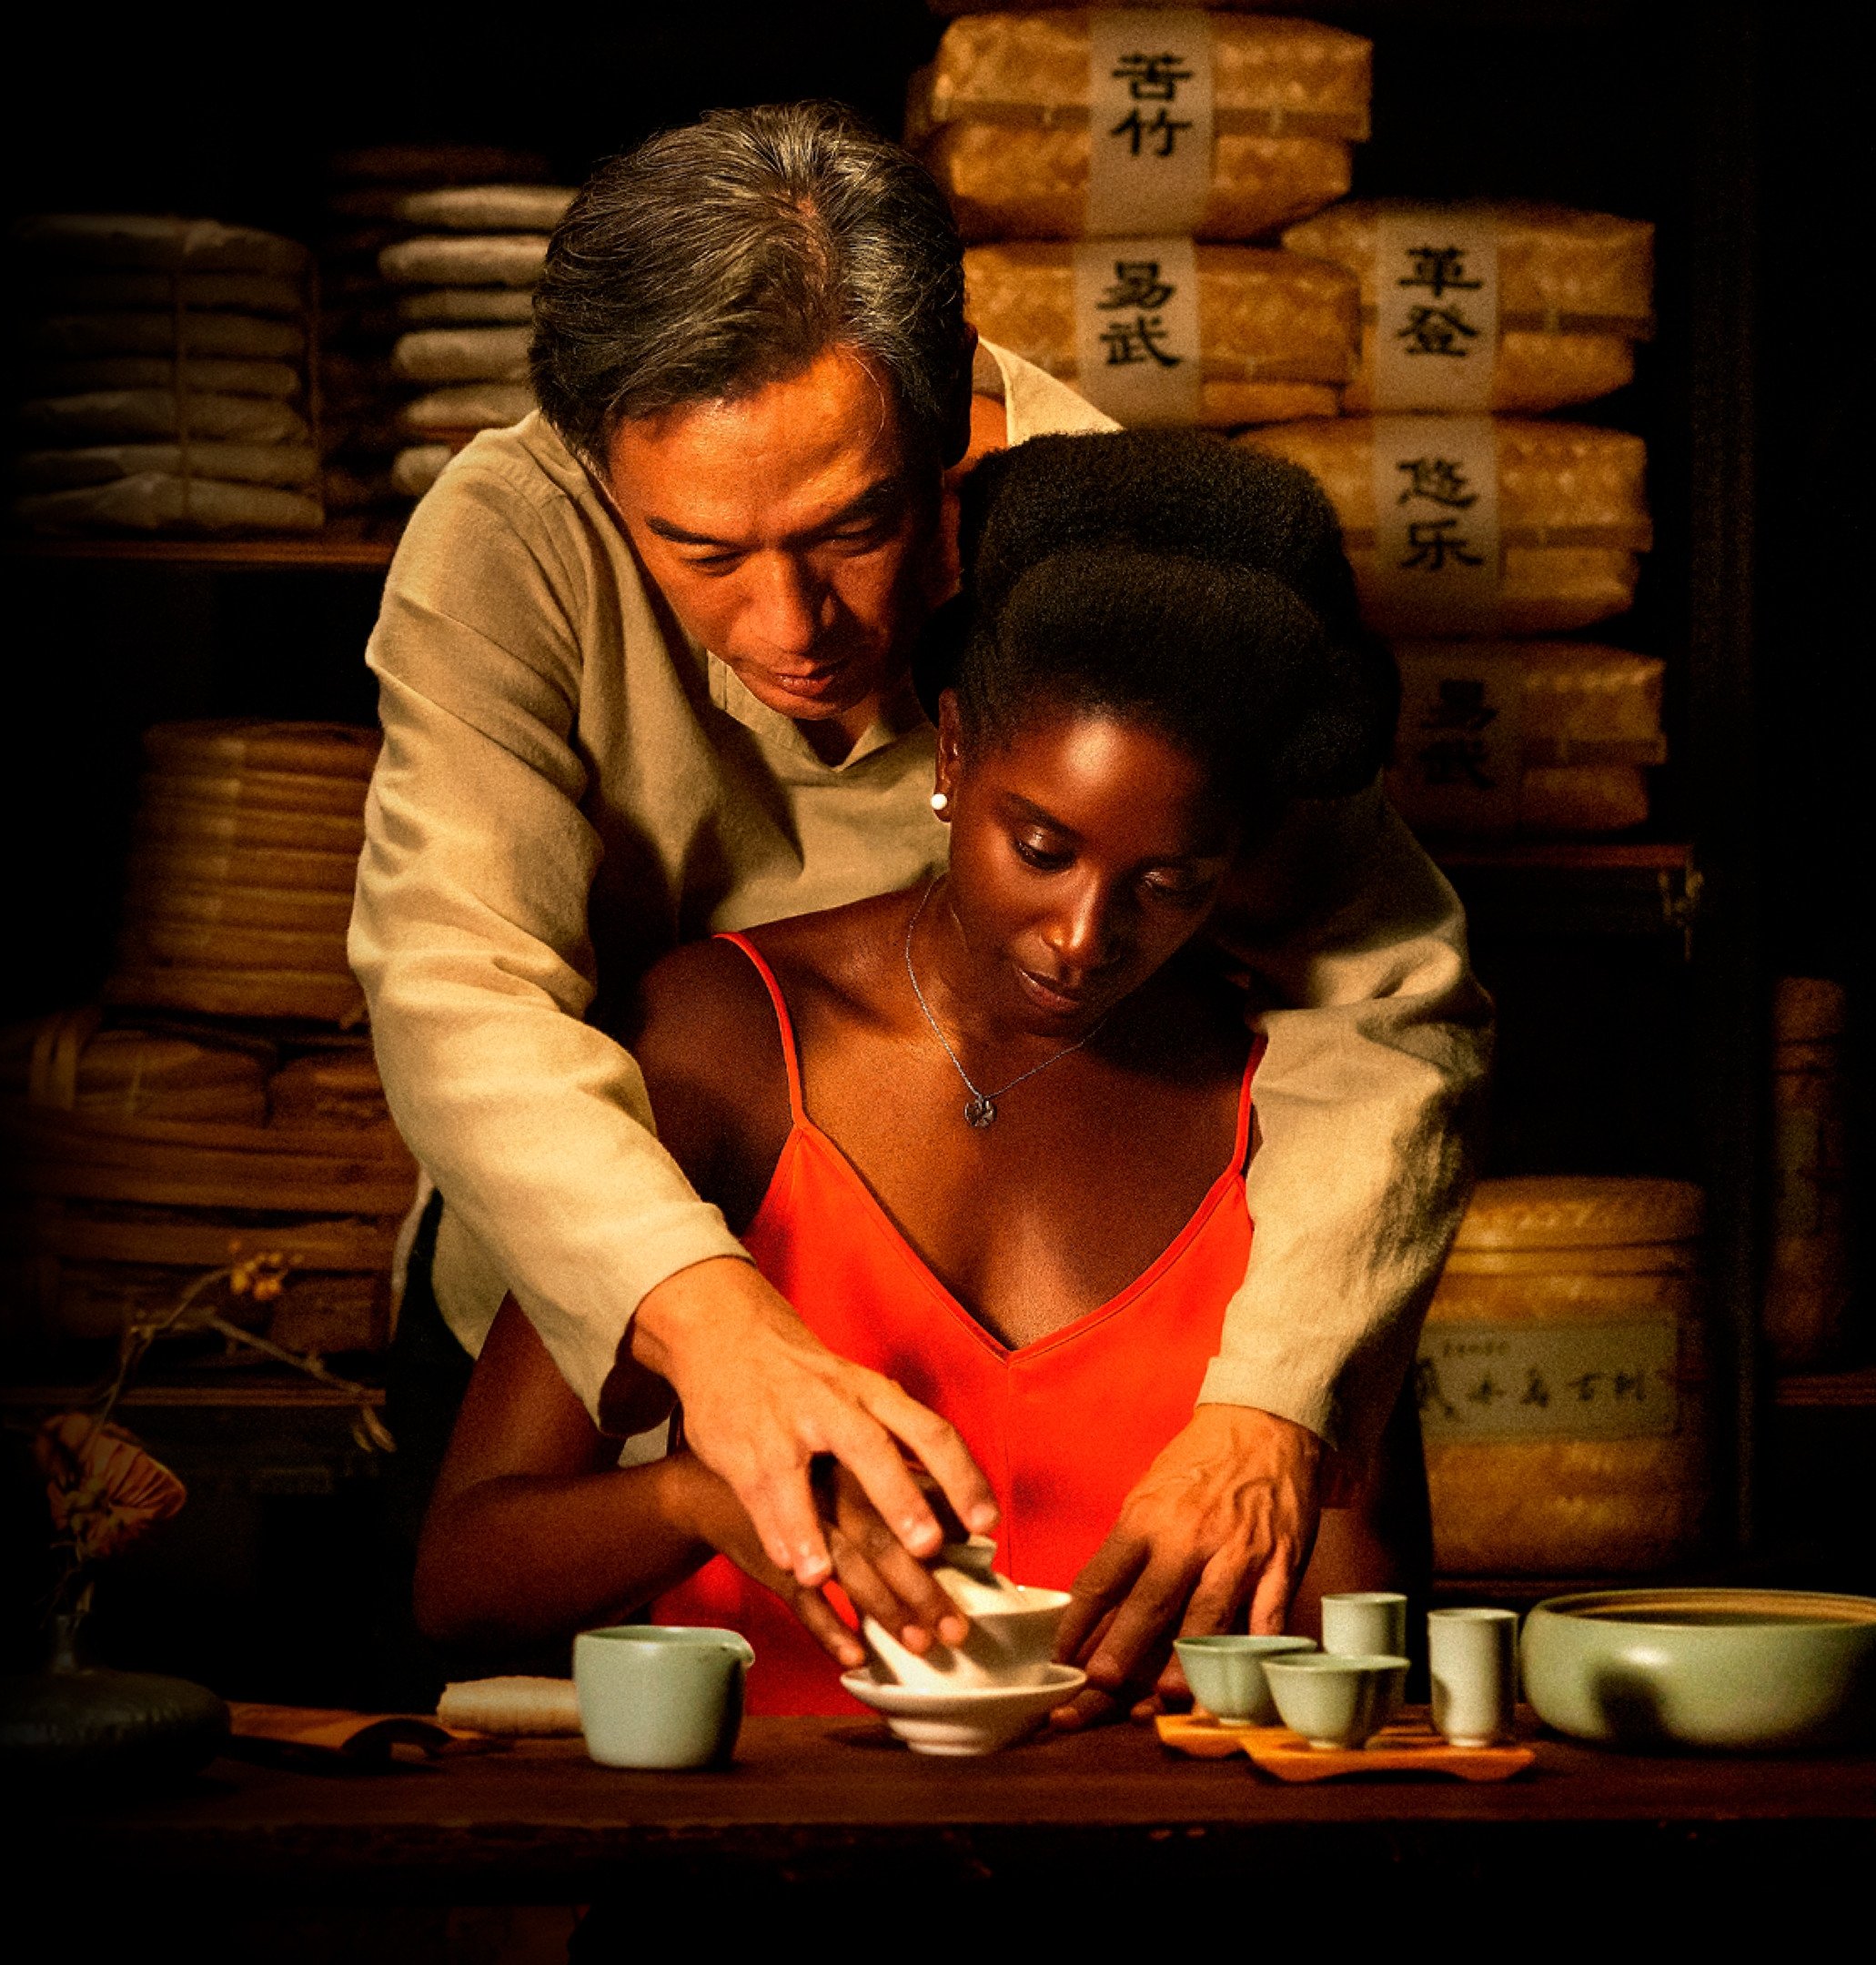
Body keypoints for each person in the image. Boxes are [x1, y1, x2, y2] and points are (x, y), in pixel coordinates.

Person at [355, 102, 1486, 1723]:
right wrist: (708, 1322)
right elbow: (455, 984)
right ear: (601, 466)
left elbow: (1386, 999)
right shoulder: (511, 537)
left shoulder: (1112, 544)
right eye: (701, 553)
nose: (792, 626)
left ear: (952, 420)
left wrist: (1276, 1401)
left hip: (1092, 1291)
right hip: (596, 1268)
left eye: (855, 531)